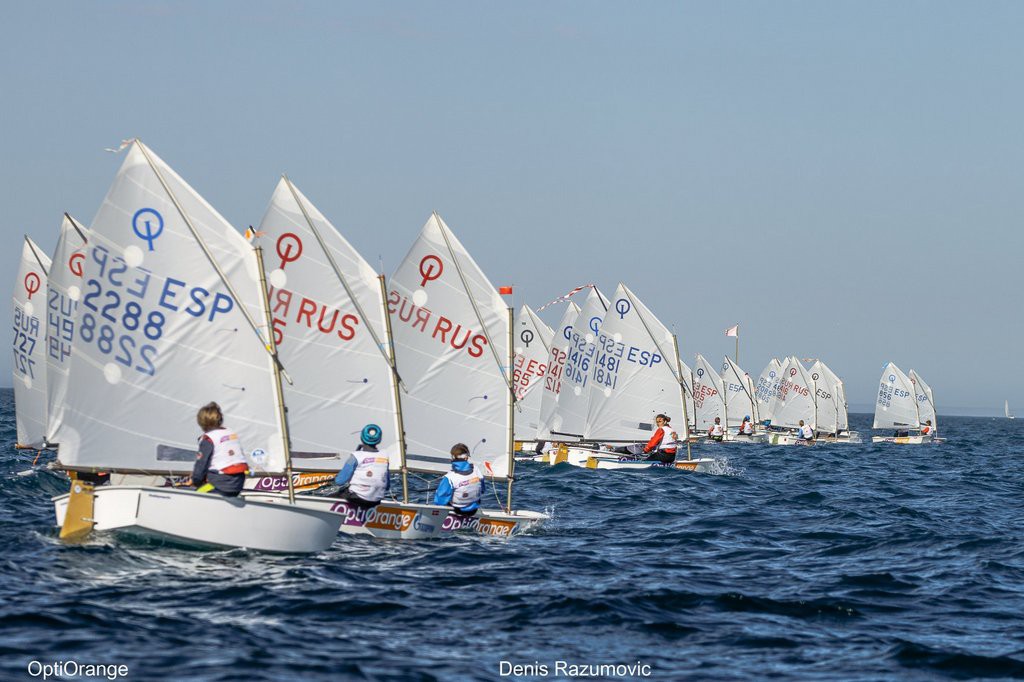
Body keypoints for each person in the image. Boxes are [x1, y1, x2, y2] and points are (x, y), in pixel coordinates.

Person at [191, 402, 247, 497]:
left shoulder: (208, 439)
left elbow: (201, 466)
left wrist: (195, 481)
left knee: (195, 494)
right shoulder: (230, 433)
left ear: (201, 422)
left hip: (221, 484)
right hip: (238, 484)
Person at [333, 424, 390, 508]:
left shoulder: (356, 456)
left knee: (332, 496)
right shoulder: (385, 456)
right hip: (376, 501)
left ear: (362, 437)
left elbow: (339, 481)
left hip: (357, 498)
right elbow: (387, 485)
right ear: (379, 439)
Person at [434, 443, 485, 516]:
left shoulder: (449, 477)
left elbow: (440, 501)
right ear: (467, 457)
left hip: (458, 511)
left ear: (452, 457)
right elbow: (483, 489)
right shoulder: (476, 470)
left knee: (443, 497)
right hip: (474, 510)